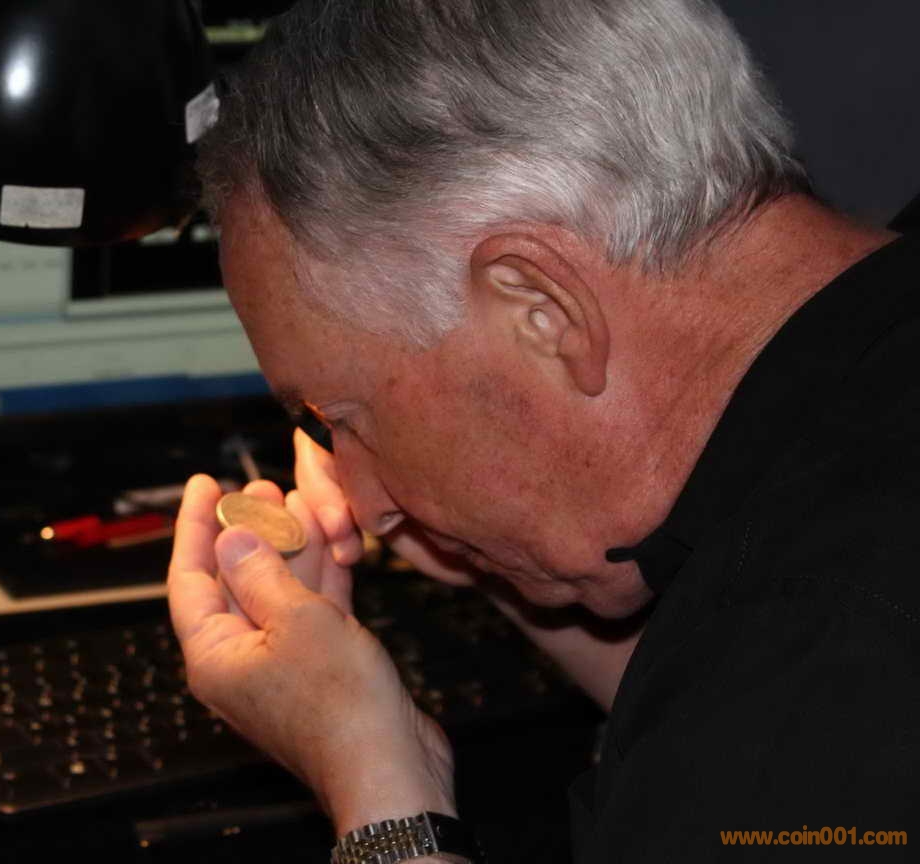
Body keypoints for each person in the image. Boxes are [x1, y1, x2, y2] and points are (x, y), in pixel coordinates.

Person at [166, 0, 920, 860]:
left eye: (344, 419)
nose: (369, 506)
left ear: (541, 308)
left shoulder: (831, 656)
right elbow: (712, 715)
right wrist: (489, 551)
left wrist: (380, 791)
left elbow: (772, 733)